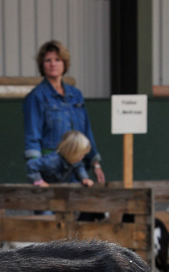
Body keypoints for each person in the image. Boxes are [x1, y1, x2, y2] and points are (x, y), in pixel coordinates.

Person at [23, 40, 105, 185]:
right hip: (51, 171)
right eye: (48, 60)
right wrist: (37, 177)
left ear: (64, 63)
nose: (53, 64)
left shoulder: (76, 95)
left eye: (57, 60)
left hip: (76, 167)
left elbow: (86, 131)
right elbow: (33, 135)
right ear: (42, 64)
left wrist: (95, 163)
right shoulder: (36, 97)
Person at [27, 130, 95, 187]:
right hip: (43, 192)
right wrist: (39, 182)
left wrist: (84, 178)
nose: (82, 157)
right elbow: (32, 164)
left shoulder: (74, 160)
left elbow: (79, 167)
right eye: (80, 155)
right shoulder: (52, 161)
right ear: (70, 152)